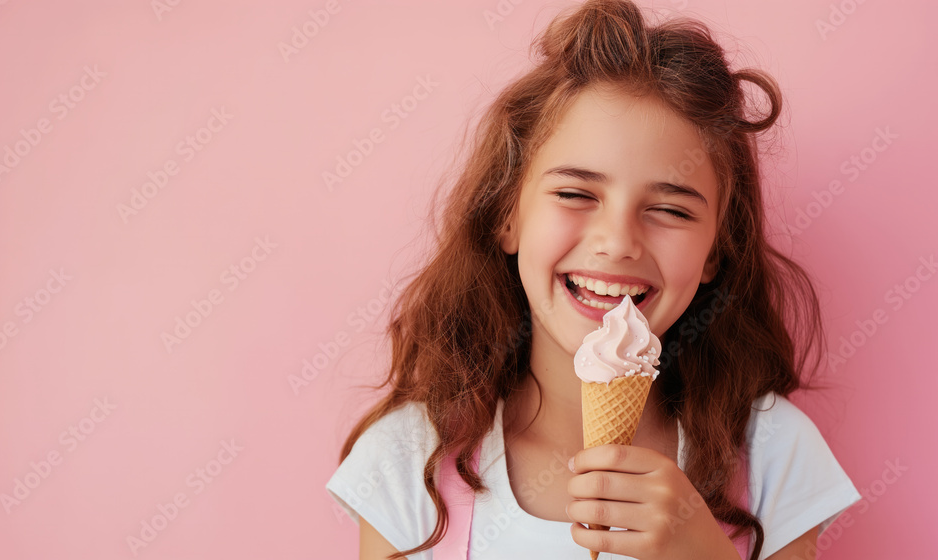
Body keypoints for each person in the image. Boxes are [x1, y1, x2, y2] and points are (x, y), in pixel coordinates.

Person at [325, 1, 862, 558]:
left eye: (672, 210)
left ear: (713, 253)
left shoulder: (775, 454)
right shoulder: (411, 459)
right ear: (508, 217)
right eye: (576, 194)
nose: (618, 241)